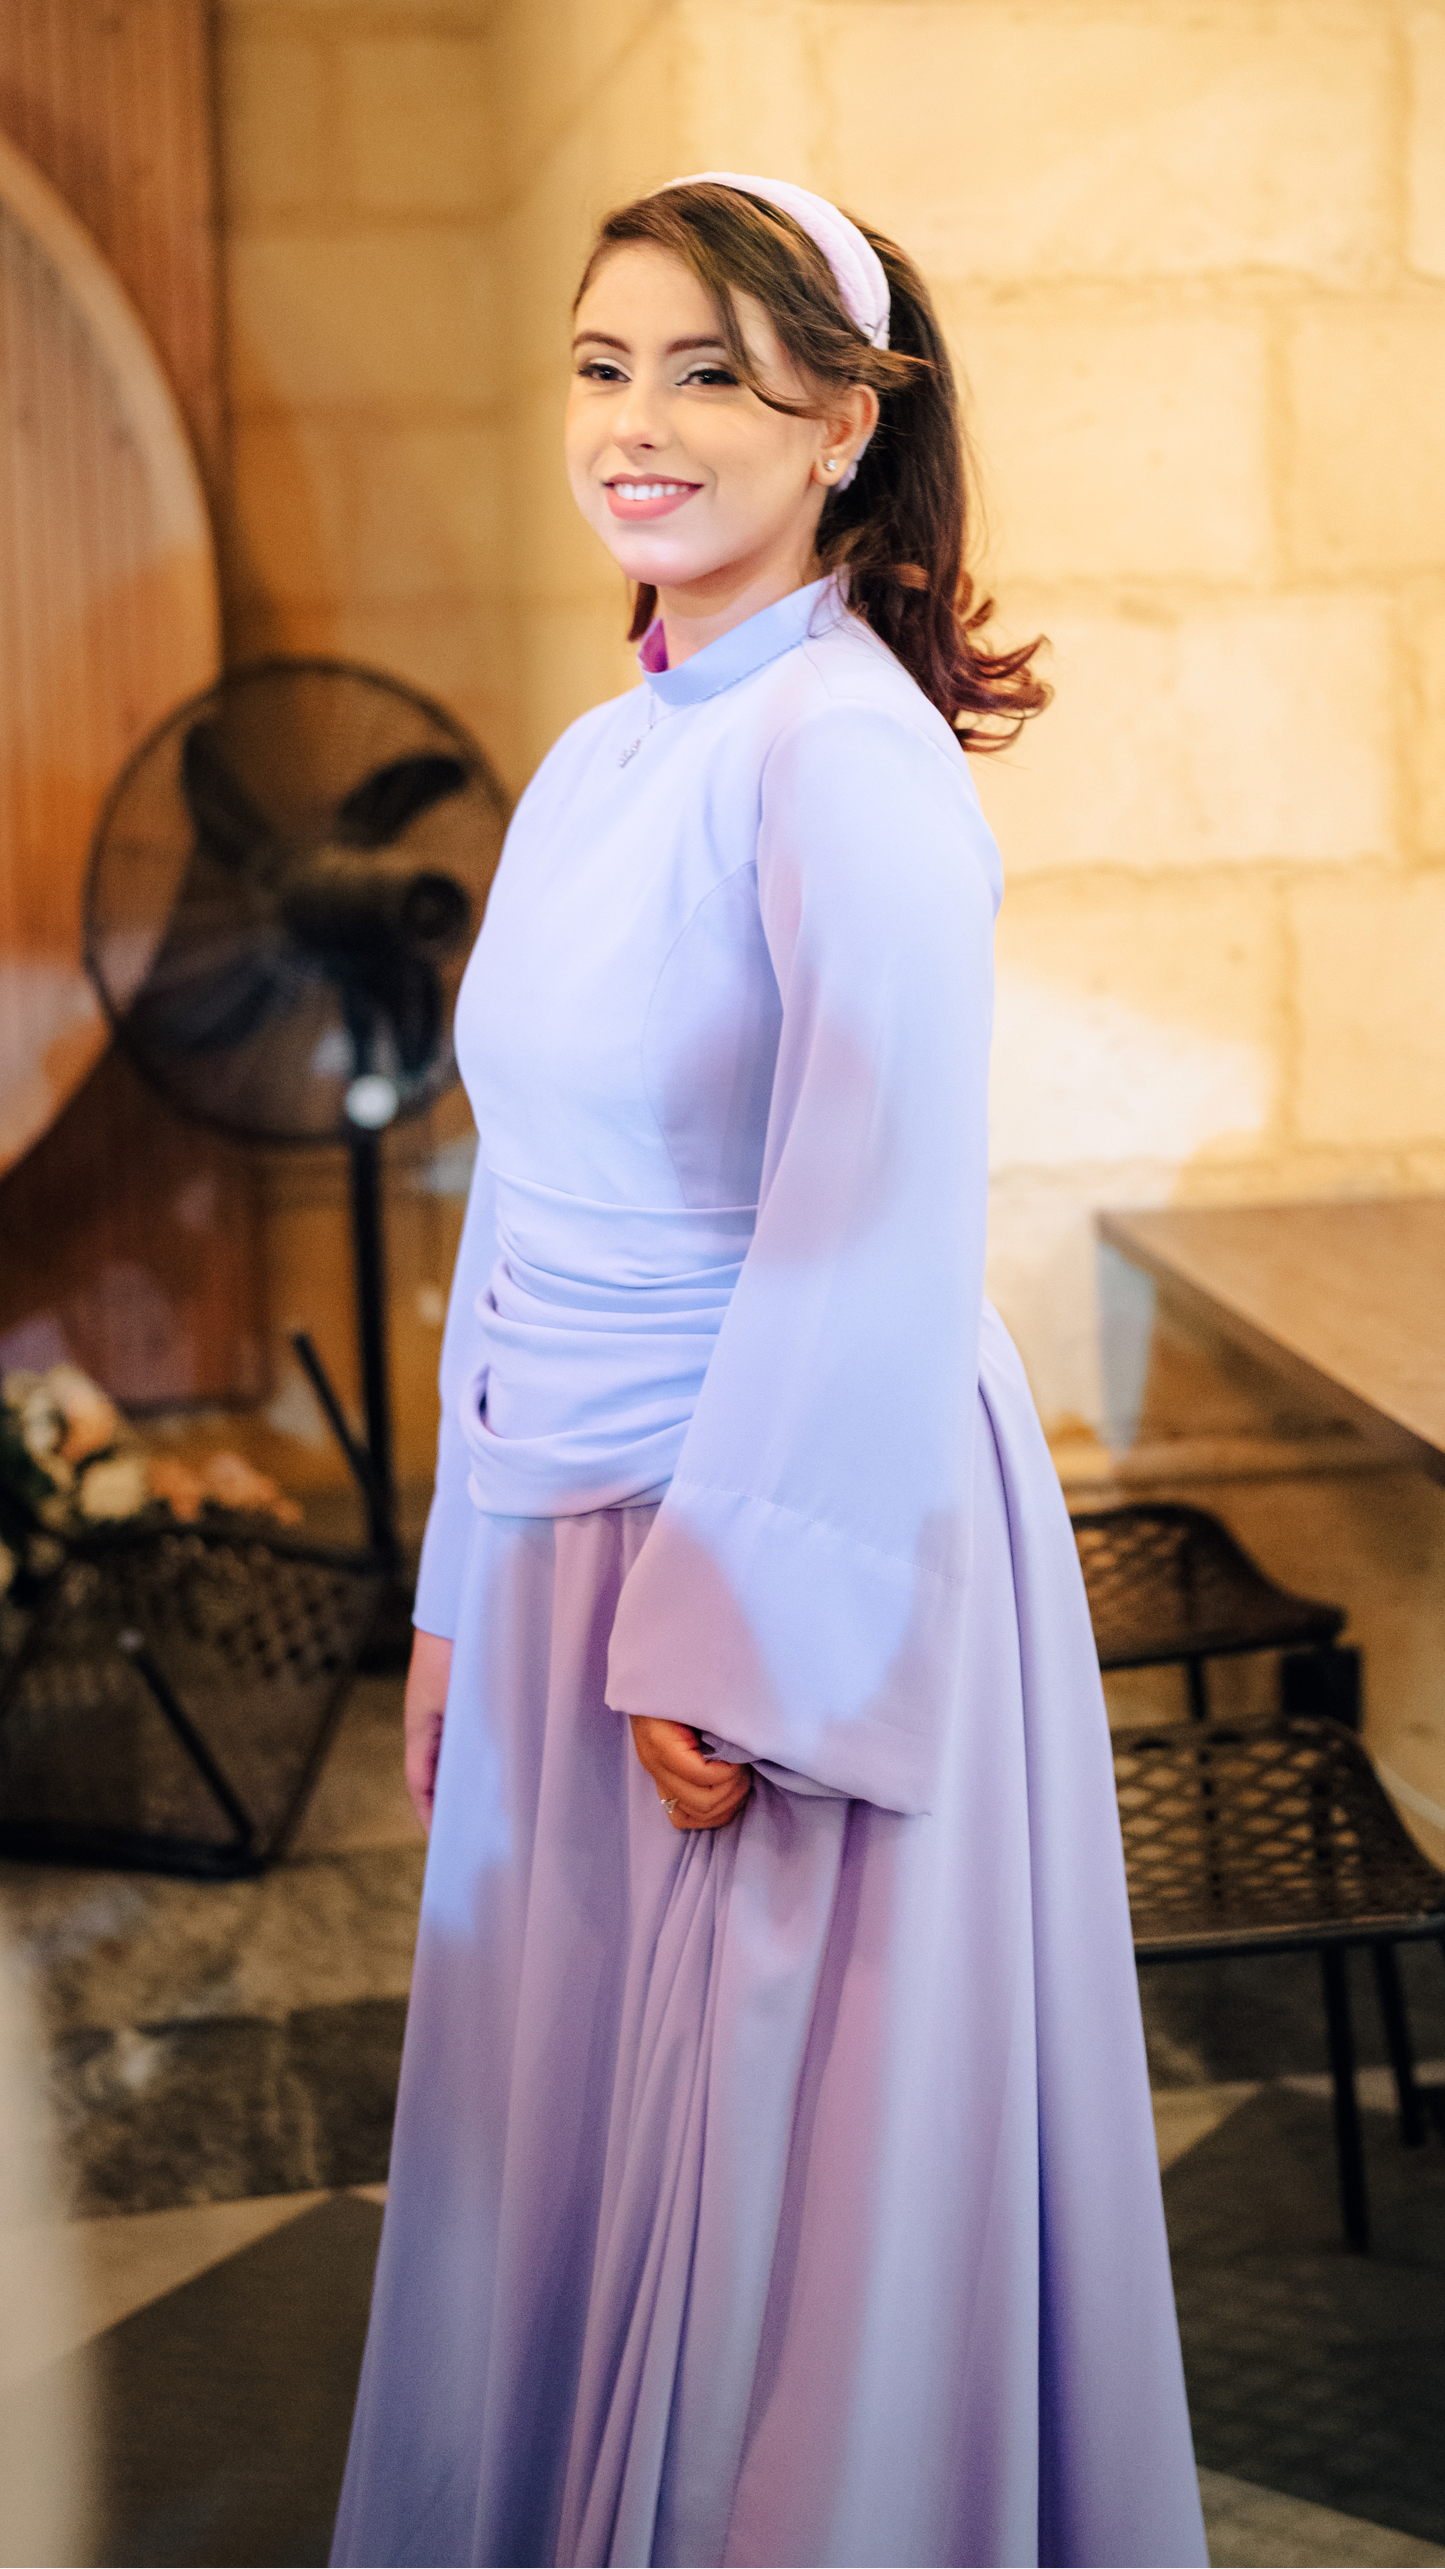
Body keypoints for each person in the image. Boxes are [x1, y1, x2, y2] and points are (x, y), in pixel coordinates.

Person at [330, 174, 1208, 2569]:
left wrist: (722, 1637)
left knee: (766, 2220)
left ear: (844, 421)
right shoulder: (601, 759)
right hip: (562, 1549)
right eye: (603, 364)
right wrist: (458, 1577)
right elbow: (520, 1189)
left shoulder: (844, 759)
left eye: (708, 370)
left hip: (772, 1567)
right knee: (565, 2165)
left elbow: (869, 1225)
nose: (636, 422)